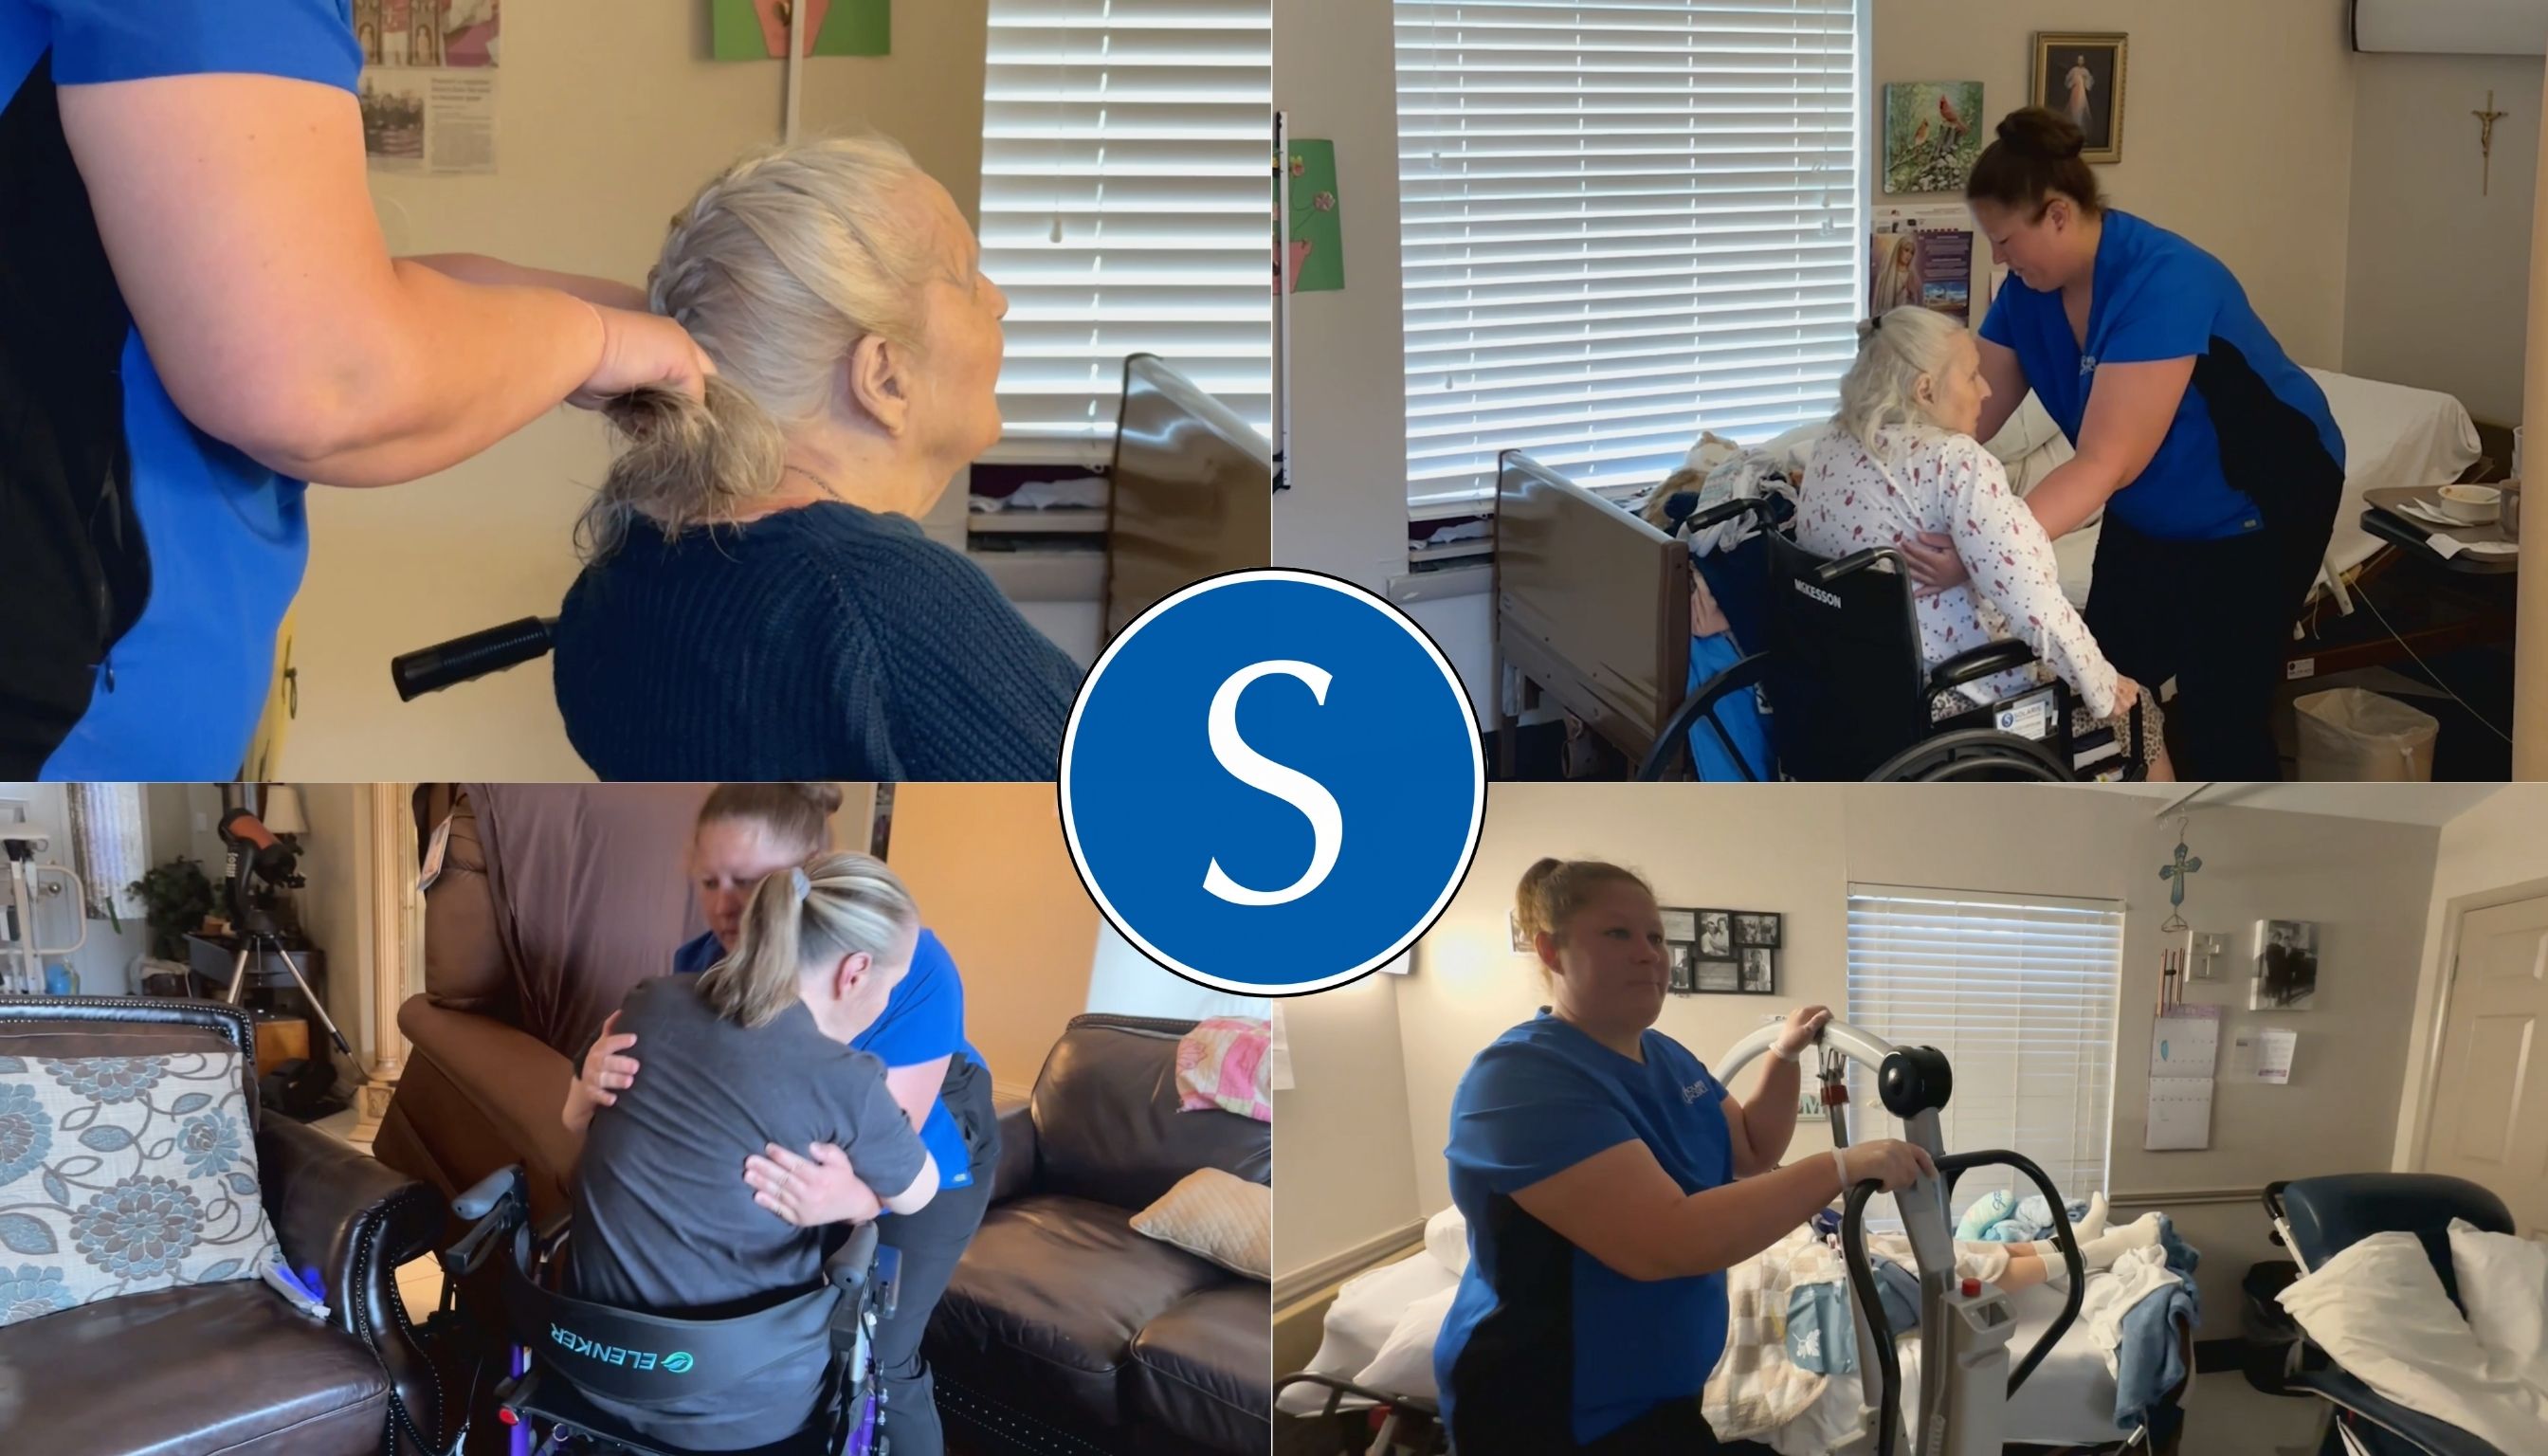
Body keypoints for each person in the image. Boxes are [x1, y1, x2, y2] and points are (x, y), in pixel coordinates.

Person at [1, 2, 713, 778]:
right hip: (60, 706)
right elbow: (321, 379)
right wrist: (596, 342)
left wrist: (617, 324)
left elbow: (309, 290)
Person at [549, 135, 1083, 780]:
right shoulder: (883, 599)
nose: (997, 300)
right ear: (884, 377)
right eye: (965, 278)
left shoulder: (618, 571)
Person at [1432, 858, 1938, 1454]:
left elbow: (1752, 1147)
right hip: (1551, 1409)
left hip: (1661, 1394)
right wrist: (1842, 1166)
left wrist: (1783, 1055)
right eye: (1617, 933)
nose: (1649, 954)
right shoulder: (1520, 1079)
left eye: (1656, 936)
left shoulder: (1666, 1056)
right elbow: (1668, 1240)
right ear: (1551, 950)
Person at [565, 782, 997, 1456]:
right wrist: (589, 1081)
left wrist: (848, 1202)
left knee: (878, 1355)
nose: (727, 906)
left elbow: (894, 1157)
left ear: (810, 873)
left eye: (751, 882)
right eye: (710, 880)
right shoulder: (697, 967)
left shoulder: (911, 966)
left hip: (922, 1146)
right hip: (808, 1152)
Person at [1919, 106, 2345, 778]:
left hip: (2262, 505)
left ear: (2058, 215)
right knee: (2105, 687)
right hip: (2151, 506)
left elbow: (2103, 462)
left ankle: (2239, 841)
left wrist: (1981, 548)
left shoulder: (2165, 281)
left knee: (2219, 714)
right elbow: (1970, 412)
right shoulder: (2030, 290)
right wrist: (1876, 463)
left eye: (2004, 240)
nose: (1997, 258)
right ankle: (2132, 829)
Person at [1797, 305, 2171, 780]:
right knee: (2141, 713)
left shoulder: (1833, 446)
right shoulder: (1956, 462)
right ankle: (2170, 829)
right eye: (1972, 376)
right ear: (1925, 390)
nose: (1987, 390)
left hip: (1860, 696)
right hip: (1958, 704)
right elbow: (2033, 602)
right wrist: (2103, 683)